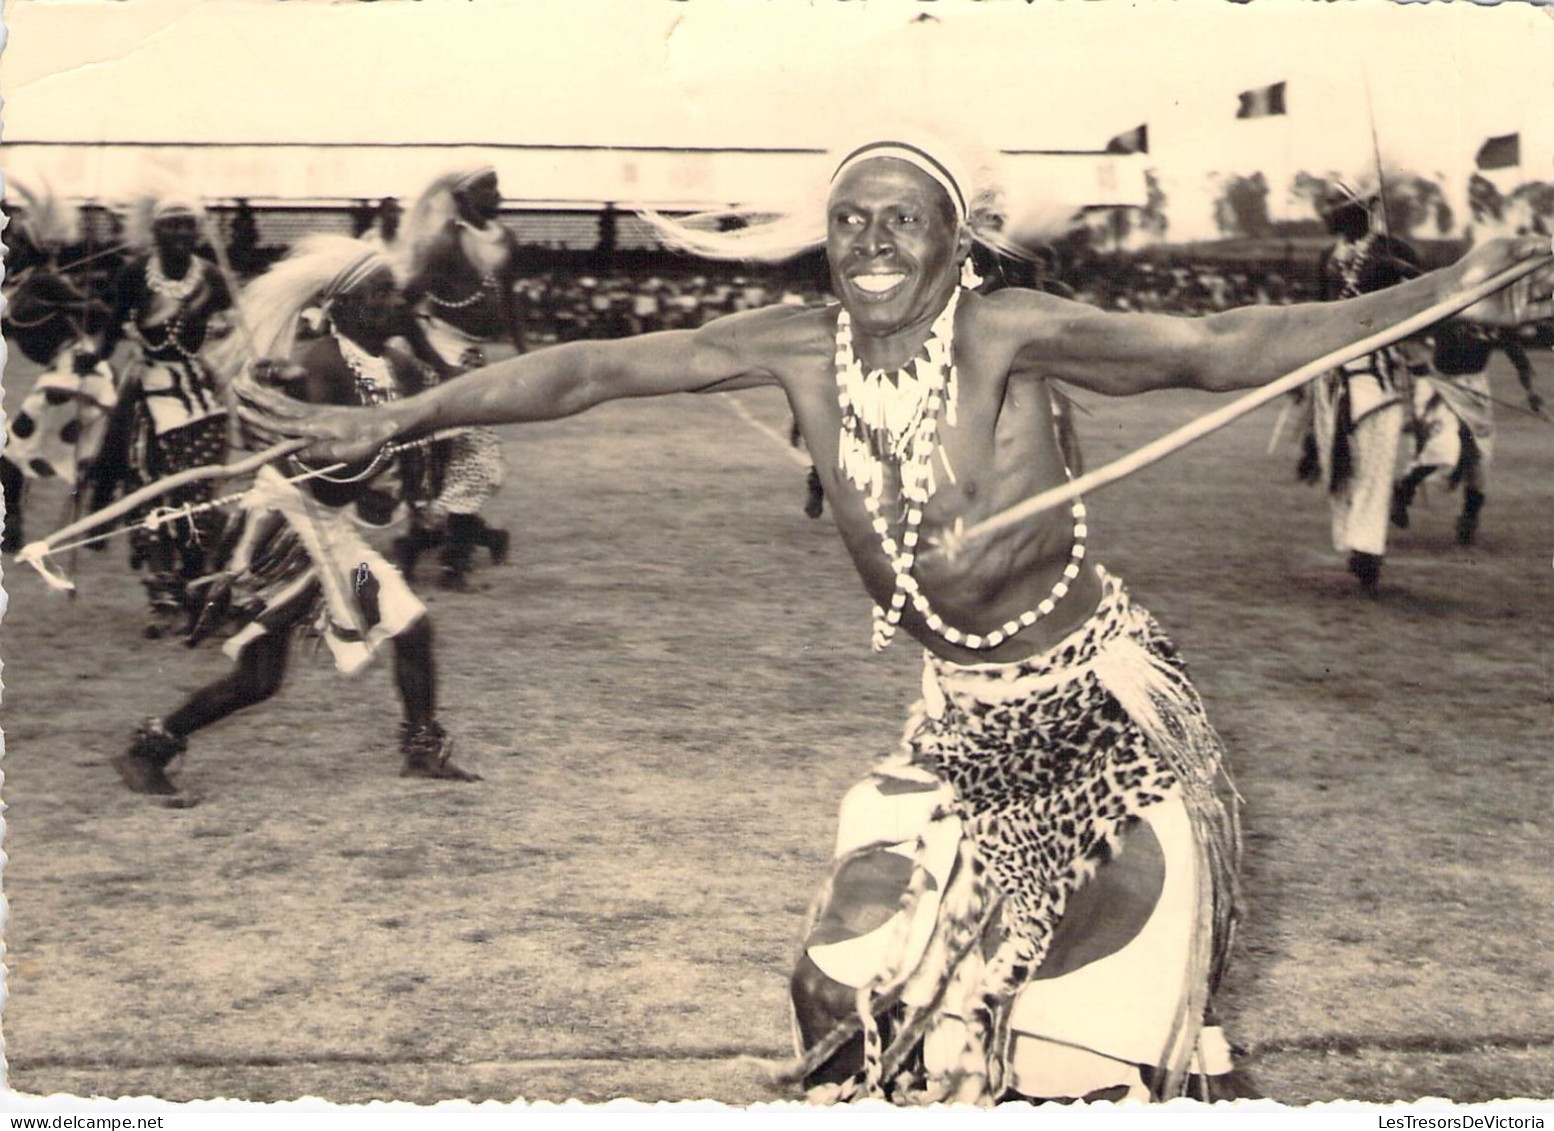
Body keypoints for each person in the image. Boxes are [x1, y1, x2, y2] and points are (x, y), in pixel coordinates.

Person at [239, 132, 1551, 1104]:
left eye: (901, 217)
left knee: (1083, 1056)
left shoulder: (1011, 334)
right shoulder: (796, 346)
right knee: (837, 983)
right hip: (951, 725)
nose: (869, 238)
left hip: (1100, 726)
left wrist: (1444, 284)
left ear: (955, 238)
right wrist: (401, 411)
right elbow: (587, 371)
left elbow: (1219, 350)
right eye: (848, 218)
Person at [113, 236, 480, 797]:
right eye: (381, 292)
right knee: (259, 679)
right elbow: (308, 462)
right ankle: (149, 748)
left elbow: (411, 438)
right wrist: (362, 472)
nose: (395, 301)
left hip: (332, 531)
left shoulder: (399, 369)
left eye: (393, 290)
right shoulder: (316, 365)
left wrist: (412, 497)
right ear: (345, 307)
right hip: (282, 529)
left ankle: (422, 748)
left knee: (407, 626)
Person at [81, 194, 236, 635]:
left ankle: (194, 583)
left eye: (189, 226)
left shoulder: (212, 278)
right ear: (156, 231)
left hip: (200, 394)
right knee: (149, 489)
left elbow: (242, 327)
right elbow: (113, 329)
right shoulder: (135, 275)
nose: (182, 235)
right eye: (174, 226)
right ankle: (161, 594)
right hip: (147, 392)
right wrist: (95, 358)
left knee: (199, 494)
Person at [394, 166, 521, 589]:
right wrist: (429, 357)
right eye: (488, 189)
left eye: (498, 187)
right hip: (442, 358)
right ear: (463, 198)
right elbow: (403, 302)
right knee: (468, 461)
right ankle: (451, 560)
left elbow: (508, 298)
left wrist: (523, 354)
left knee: (460, 460)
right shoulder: (444, 244)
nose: (499, 195)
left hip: (471, 358)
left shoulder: (503, 240)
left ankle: (436, 546)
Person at [1299, 179, 1420, 594]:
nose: (1329, 219)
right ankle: (1354, 540)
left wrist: (1403, 279)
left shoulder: (1390, 251)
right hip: (1333, 375)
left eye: (1336, 210)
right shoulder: (1326, 259)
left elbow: (1425, 291)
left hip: (1379, 371)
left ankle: (1369, 550)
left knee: (1376, 460)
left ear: (1359, 212)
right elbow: (1316, 315)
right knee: (1339, 464)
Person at [1, 184, 118, 556]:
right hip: (60, 370)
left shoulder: (45, 281)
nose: (10, 247)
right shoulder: (20, 282)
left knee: (17, 446)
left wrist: (75, 305)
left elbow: (100, 314)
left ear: (33, 246)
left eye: (17, 242)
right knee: (40, 450)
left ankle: (14, 525)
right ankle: (19, 524)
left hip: (75, 368)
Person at [1390, 324, 1543, 545]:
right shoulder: (1451, 305)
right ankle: (1404, 489)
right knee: (1444, 448)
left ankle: (1469, 519)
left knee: (1479, 458)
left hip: (1476, 389)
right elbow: (1408, 332)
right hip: (1439, 383)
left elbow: (1517, 355)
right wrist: (1413, 362)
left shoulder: (1494, 315)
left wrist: (1531, 391)